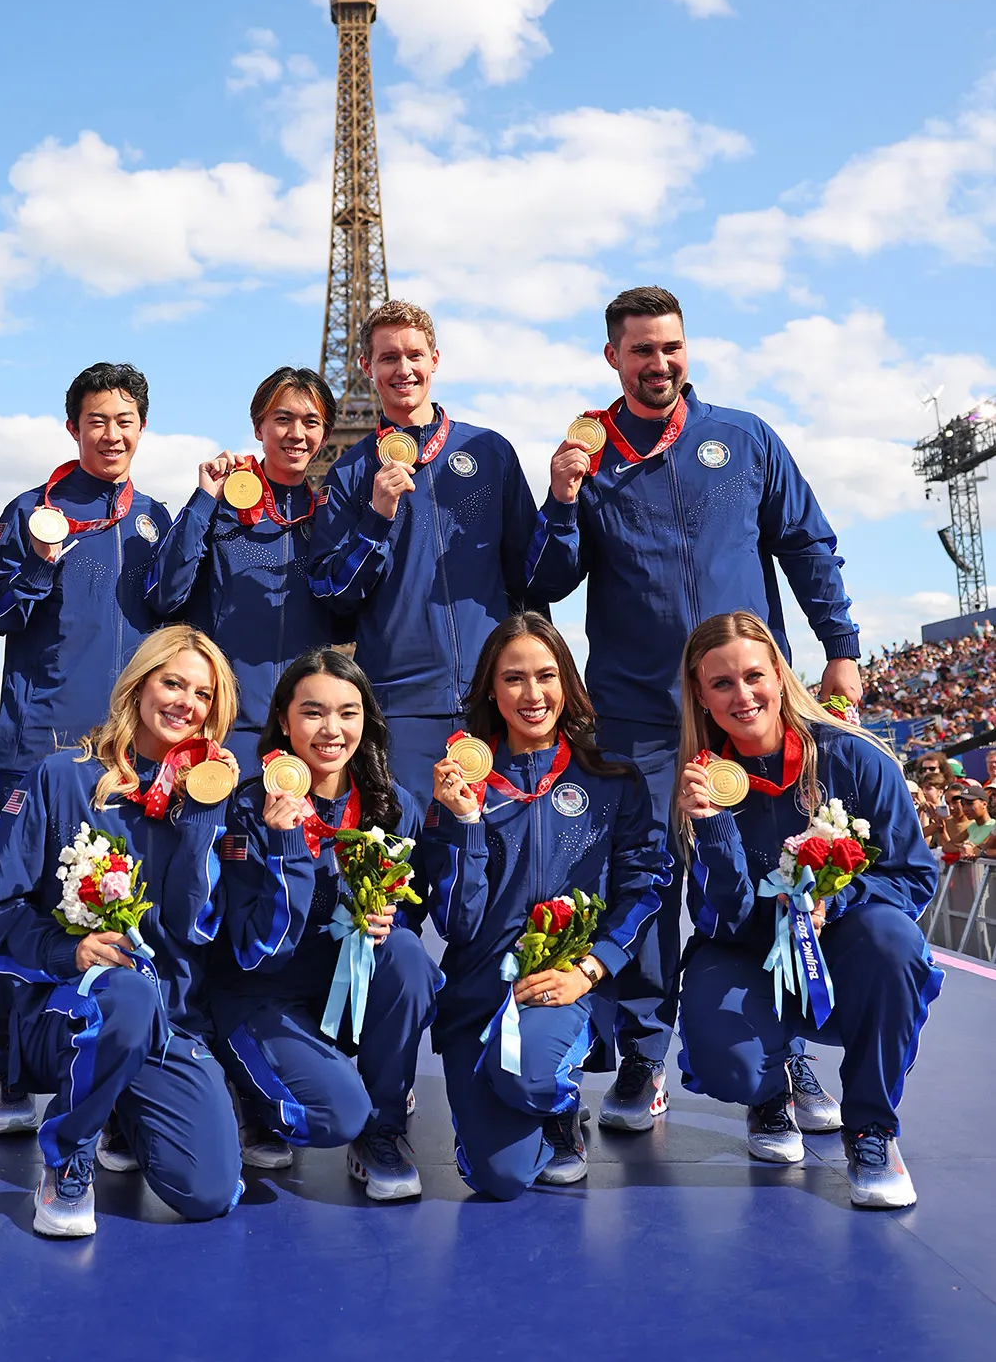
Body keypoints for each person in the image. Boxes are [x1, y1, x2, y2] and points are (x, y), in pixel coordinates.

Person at [525, 285, 861, 1133]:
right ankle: (643, 1058)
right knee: (644, 884)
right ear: (612, 357)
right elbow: (546, 581)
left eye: (670, 346)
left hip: (744, 712)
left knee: (771, 876)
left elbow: (805, 543)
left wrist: (841, 647)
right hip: (636, 714)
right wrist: (559, 501)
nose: (658, 362)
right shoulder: (587, 456)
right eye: (640, 349)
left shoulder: (743, 437)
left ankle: (782, 1057)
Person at [0, 626, 244, 1238]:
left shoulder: (209, 799)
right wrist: (68, 952)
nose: (186, 703)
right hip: (65, 1014)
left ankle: (123, 1104)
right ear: (139, 686)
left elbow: (194, 931)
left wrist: (202, 820)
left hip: (167, 1022)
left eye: (203, 694)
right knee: (126, 995)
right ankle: (68, 1154)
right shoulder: (61, 778)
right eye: (173, 683)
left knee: (210, 1192)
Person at [674, 611, 939, 1208]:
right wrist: (712, 826)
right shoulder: (699, 782)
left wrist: (834, 901)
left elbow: (915, 876)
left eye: (754, 676)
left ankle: (871, 1128)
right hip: (746, 950)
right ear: (700, 694)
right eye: (722, 683)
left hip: (839, 946)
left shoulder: (854, 757)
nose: (743, 695)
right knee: (729, 1066)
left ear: (779, 674)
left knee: (893, 943)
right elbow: (723, 917)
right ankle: (770, 1089)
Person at [0, 361, 172, 1132]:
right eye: (97, 420)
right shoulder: (32, 510)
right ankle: (11, 1071)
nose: (111, 434)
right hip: (40, 744)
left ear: (141, 428)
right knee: (20, 906)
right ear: (73, 428)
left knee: (122, 903)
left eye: (124, 421)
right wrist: (33, 562)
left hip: (126, 752)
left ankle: (107, 1068)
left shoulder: (155, 519)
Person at [422, 614, 664, 1197]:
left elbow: (644, 886)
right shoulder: (459, 787)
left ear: (567, 683)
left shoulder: (612, 779)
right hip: (479, 993)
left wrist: (590, 969)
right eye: (514, 678)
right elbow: (456, 922)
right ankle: (510, 1098)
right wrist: (465, 823)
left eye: (546, 676)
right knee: (500, 1179)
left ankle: (556, 1103)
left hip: (564, 985)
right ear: (491, 690)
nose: (532, 694)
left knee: (528, 1079)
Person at [210, 649, 440, 1201]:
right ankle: (255, 1094)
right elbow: (252, 953)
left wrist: (388, 919)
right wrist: (286, 846)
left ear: (367, 720)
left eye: (348, 712)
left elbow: (411, 915)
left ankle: (382, 1131)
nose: (332, 729)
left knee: (407, 954)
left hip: (344, 997)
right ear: (284, 721)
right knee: (337, 1115)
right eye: (312, 712)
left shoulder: (393, 807)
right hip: (264, 996)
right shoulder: (248, 809)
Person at [309, 300, 538, 807]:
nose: (404, 369)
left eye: (414, 355)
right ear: (366, 366)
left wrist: (563, 507)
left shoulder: (490, 452)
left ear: (435, 358)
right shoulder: (349, 473)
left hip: (494, 697)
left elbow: (531, 577)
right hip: (400, 706)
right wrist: (377, 517)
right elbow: (332, 596)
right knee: (408, 847)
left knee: (499, 844)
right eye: (388, 357)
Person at [146, 366, 337, 776]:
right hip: (224, 726)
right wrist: (204, 500)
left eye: (311, 422)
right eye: (282, 418)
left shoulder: (330, 519)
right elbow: (165, 595)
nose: (296, 433)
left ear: (325, 436)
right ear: (258, 427)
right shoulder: (221, 503)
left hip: (304, 733)